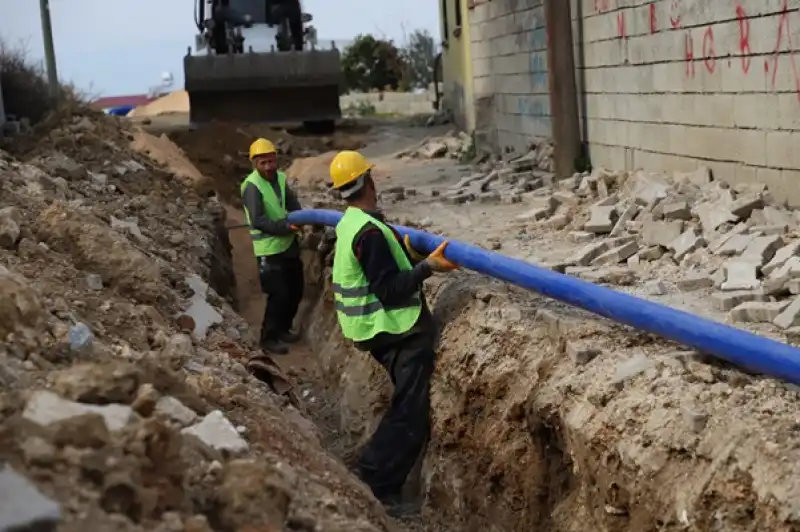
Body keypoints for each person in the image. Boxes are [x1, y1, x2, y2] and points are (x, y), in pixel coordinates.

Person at [327, 150, 458, 514]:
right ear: (369, 181)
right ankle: (377, 482)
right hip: (394, 330)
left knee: (407, 404)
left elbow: (384, 270)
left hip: (373, 329)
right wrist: (429, 266)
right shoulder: (368, 233)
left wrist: (410, 259)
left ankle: (375, 473)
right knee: (410, 411)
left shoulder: (353, 223)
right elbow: (389, 289)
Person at [241, 138, 304, 355]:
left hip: (288, 246)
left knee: (296, 290)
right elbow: (258, 220)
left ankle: (284, 328)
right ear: (254, 164)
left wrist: (303, 217)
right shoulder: (252, 186)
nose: (268, 167)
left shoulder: (280, 178)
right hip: (269, 250)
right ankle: (269, 337)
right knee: (279, 295)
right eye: (263, 163)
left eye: (270, 161)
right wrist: (286, 227)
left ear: (276, 159)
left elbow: (292, 203)